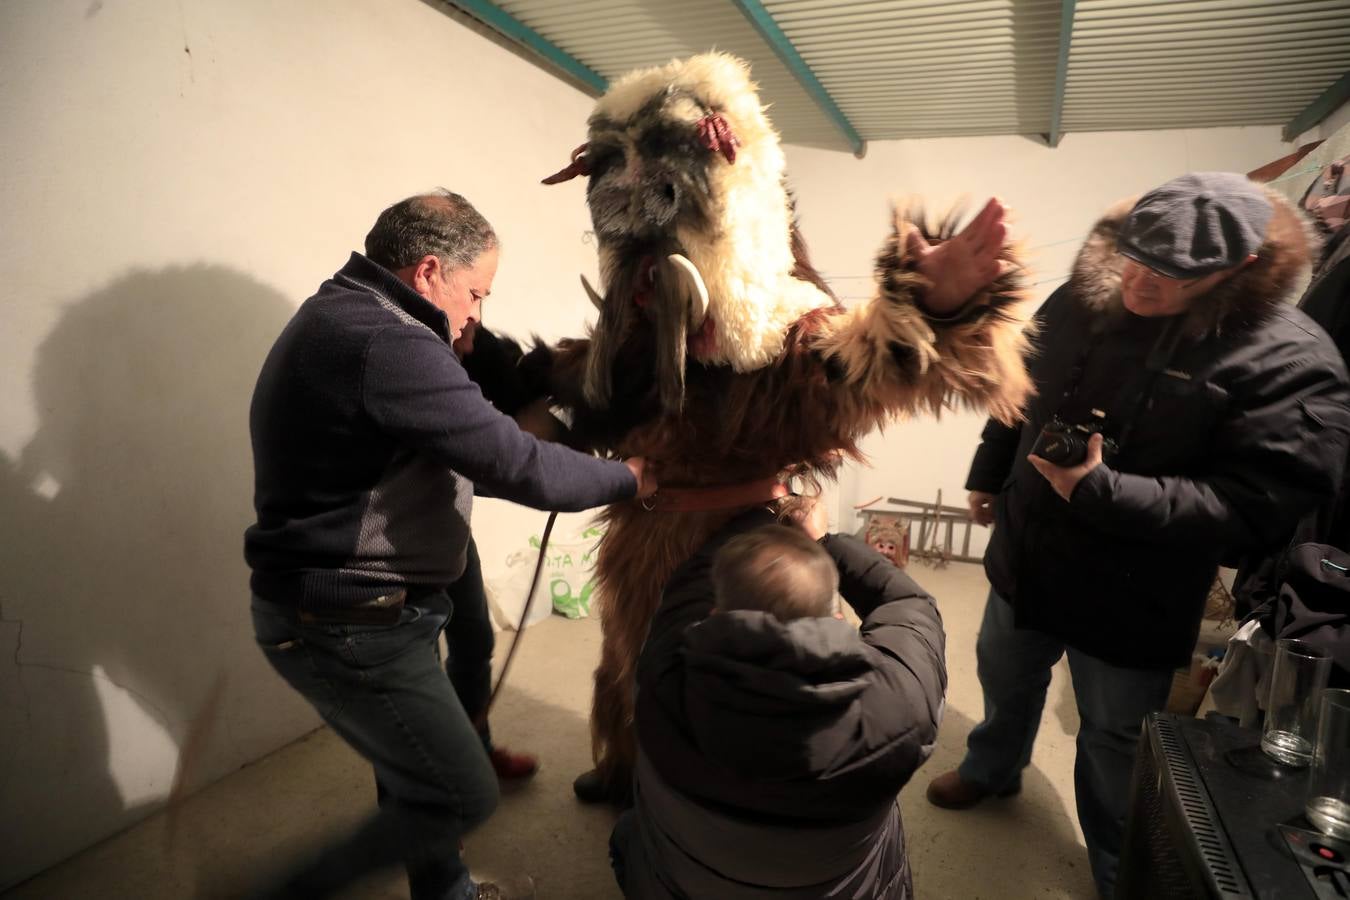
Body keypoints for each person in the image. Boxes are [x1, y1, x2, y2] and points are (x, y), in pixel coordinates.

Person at [927, 172, 1350, 898]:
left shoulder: (1292, 360)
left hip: (1136, 591)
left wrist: (1101, 491)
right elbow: (1021, 390)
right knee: (1004, 673)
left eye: (1172, 274)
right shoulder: (1082, 296)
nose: (1139, 284)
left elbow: (1257, 507)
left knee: (1116, 737)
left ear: (1241, 267)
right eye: (1134, 259)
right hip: (1029, 550)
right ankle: (991, 769)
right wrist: (989, 471)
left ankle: (1119, 870)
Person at [244, 190, 656, 900]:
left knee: (414, 768)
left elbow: (465, 459)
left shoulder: (344, 313)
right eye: (476, 293)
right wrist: (630, 477)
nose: (475, 315)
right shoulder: (389, 340)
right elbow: (514, 463)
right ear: (430, 270)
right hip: (350, 618)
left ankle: (446, 892)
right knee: (460, 792)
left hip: (366, 603)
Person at [609, 497, 946, 899]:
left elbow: (682, 595)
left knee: (627, 832)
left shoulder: (664, 681)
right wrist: (824, 540)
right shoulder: (900, 709)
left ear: (715, 614)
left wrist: (756, 511)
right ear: (836, 619)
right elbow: (910, 605)